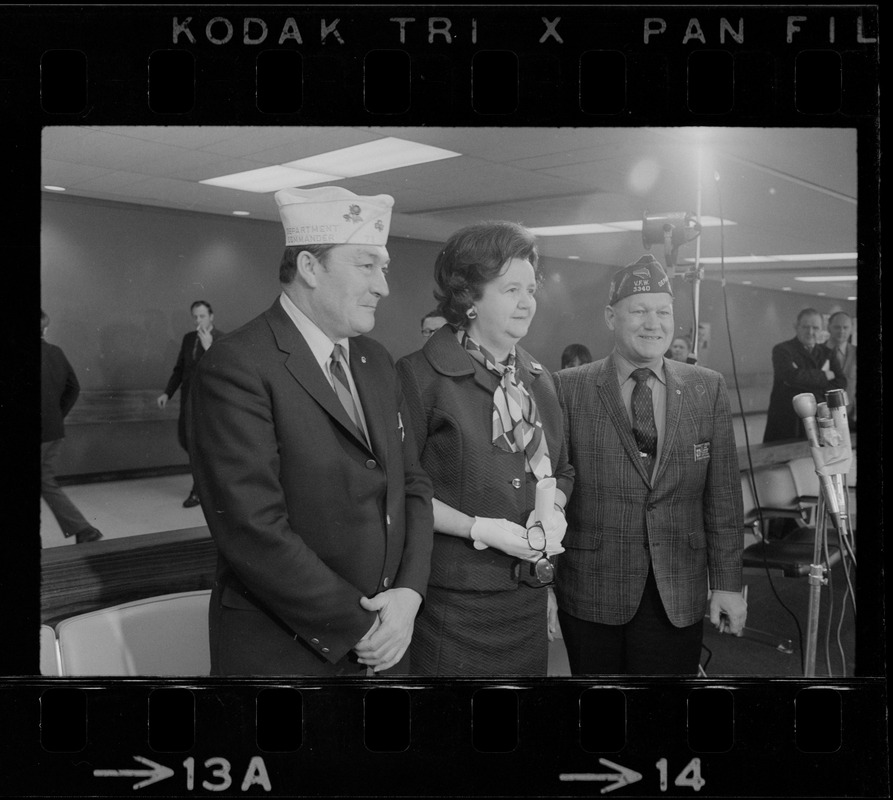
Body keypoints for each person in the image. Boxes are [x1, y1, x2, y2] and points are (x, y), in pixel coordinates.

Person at [189, 186, 434, 677]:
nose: (384, 286)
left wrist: (408, 593)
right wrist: (362, 626)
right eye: (367, 266)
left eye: (383, 269)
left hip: (389, 637)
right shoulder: (237, 365)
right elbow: (252, 527)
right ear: (309, 267)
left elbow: (412, 484)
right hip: (287, 646)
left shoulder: (376, 361)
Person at [553, 254, 746, 675]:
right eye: (638, 311)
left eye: (663, 312)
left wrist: (728, 583)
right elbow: (551, 494)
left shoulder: (706, 388)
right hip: (590, 591)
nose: (652, 323)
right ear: (610, 317)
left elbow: (724, 498)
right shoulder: (567, 389)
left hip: (678, 592)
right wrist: (544, 588)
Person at [397, 221, 573, 676]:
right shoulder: (420, 376)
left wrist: (552, 509)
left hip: (527, 598)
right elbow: (398, 488)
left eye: (531, 289)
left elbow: (562, 468)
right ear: (468, 297)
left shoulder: (539, 379)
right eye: (510, 288)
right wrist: (476, 527)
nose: (526, 301)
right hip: (453, 605)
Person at [40, 310, 103, 545]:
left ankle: (85, 529)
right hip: (53, 431)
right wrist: (57, 415)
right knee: (45, 481)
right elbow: (73, 388)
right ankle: (84, 530)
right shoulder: (56, 352)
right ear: (45, 329)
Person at [157, 301, 224, 507]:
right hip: (188, 400)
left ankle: (198, 491)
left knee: (200, 445)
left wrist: (209, 347)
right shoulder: (188, 339)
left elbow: (222, 371)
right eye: (195, 317)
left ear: (211, 317)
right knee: (186, 440)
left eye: (202, 316)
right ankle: (209, 484)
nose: (198, 320)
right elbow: (179, 370)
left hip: (209, 402)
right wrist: (167, 393)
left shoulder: (222, 339)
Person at [763, 308, 846, 443]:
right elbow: (790, 376)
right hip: (787, 418)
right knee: (783, 457)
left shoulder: (827, 353)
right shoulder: (782, 350)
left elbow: (841, 382)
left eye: (815, 327)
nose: (810, 332)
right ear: (796, 327)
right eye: (806, 327)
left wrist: (802, 381)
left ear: (822, 329)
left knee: (818, 457)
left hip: (819, 417)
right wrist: (824, 376)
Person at [826, 311, 856, 429]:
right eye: (837, 327)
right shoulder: (817, 353)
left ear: (851, 329)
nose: (842, 331)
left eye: (845, 327)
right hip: (826, 416)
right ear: (829, 327)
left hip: (851, 415)